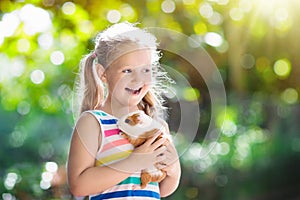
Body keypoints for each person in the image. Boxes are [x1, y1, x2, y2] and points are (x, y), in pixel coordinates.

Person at [67, 22, 181, 199]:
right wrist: (134, 161)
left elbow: (160, 189)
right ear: (103, 73)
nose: (137, 79)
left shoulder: (157, 127)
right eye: (127, 70)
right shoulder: (93, 123)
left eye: (145, 70)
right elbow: (79, 186)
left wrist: (173, 169)